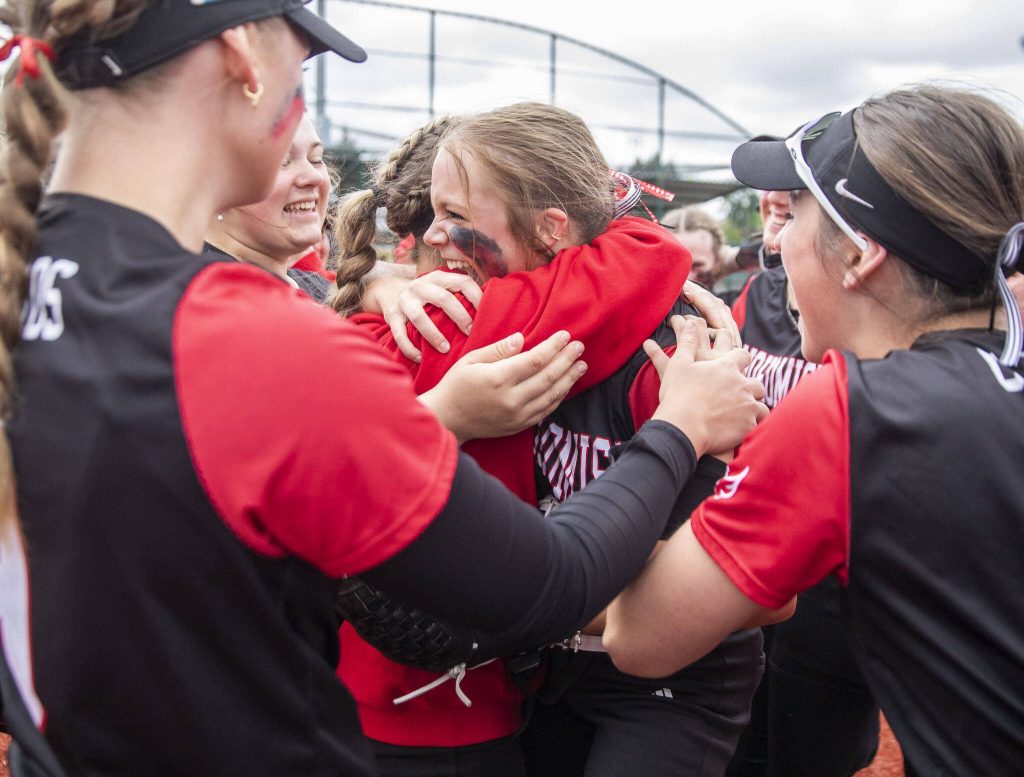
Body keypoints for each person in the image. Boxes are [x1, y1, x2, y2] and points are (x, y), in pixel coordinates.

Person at [0, 3, 767, 776]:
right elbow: (549, 581)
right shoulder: (253, 337)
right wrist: (677, 428)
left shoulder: (25, 285)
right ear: (241, 58)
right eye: (302, 63)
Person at [332, 103, 770, 777]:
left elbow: (763, 582)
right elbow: (644, 252)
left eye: (457, 216)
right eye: (429, 223)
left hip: (666, 679)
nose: (442, 240)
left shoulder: (675, 346)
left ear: (550, 228)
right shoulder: (477, 316)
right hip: (539, 674)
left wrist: (524, 596)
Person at [604, 85, 1024, 776]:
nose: (778, 242)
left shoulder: (855, 413)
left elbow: (639, 636)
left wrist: (681, 423)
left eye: (793, 213)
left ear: (859, 254)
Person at [725, 193, 880, 777]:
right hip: (750, 546)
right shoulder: (755, 293)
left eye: (794, 208)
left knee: (813, 745)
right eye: (772, 206)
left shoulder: (869, 310)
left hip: (834, 578)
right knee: (739, 741)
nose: (776, 219)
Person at [206, 112, 333, 303]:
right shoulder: (204, 303)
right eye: (281, 161)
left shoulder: (318, 287)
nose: (316, 177)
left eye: (316, 159)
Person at [661, 206, 726, 290]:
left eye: (697, 265)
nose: (687, 278)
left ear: (716, 262)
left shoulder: (734, 299)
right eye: (675, 266)